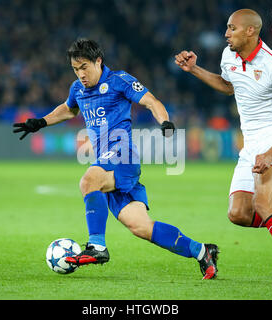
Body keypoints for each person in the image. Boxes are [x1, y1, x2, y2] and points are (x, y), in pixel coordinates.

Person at [13, 38, 219, 280]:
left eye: (84, 67)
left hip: (123, 154)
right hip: (108, 163)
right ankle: (202, 251)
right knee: (142, 227)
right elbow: (69, 109)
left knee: (88, 181)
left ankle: (97, 246)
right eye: (76, 69)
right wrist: (40, 122)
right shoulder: (77, 89)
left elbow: (151, 101)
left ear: (98, 61)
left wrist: (165, 122)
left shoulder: (118, 80)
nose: (81, 74)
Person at [175, 9, 272, 286]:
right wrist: (193, 69)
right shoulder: (228, 56)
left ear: (250, 31)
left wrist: (271, 153)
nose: (226, 34)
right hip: (251, 142)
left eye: (232, 28)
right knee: (239, 214)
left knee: (264, 204)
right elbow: (228, 86)